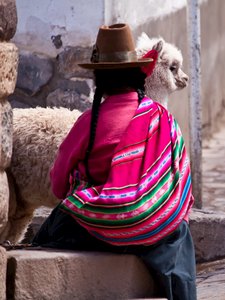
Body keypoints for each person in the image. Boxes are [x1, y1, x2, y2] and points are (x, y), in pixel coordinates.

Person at [32, 23, 196, 300]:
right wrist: (147, 210)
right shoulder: (162, 119)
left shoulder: (88, 123)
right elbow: (178, 181)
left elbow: (59, 183)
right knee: (178, 232)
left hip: (93, 228)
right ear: (138, 73)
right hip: (152, 227)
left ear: (100, 80)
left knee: (50, 230)